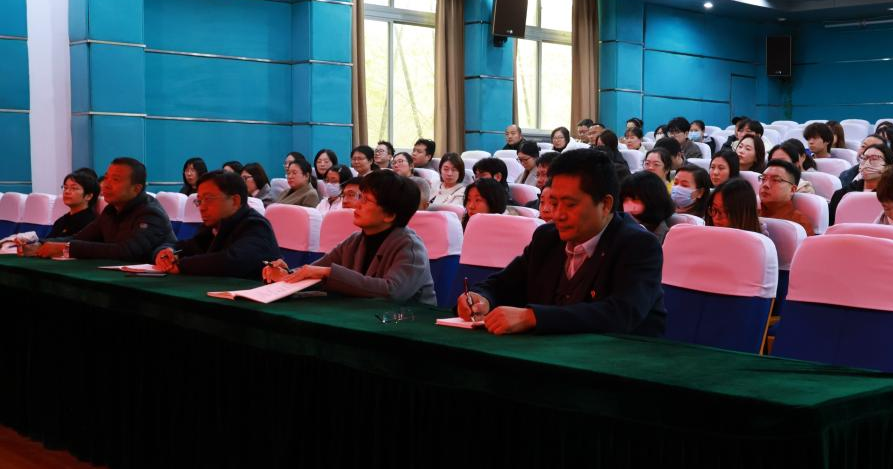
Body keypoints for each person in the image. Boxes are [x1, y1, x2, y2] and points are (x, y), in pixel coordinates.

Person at [457, 148, 667, 336]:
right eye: (554, 203)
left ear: (605, 204)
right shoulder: (547, 237)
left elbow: (620, 313)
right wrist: (482, 297)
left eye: (570, 205)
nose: (558, 215)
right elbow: (504, 283)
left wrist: (533, 317)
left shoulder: (638, 245)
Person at [265, 170, 435, 305]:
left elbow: (391, 291)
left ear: (389, 215)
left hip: (404, 324)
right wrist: (287, 274)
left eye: (367, 200)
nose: (357, 205)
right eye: (360, 197)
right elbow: (316, 269)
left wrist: (328, 273)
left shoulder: (410, 247)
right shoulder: (355, 240)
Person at [28, 157, 176, 261]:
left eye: (115, 180)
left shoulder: (150, 213)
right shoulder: (111, 210)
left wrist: (66, 248)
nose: (106, 184)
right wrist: (40, 243)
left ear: (136, 189)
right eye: (106, 178)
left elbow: (127, 251)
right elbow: (79, 237)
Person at [152, 170, 281, 278]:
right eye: (199, 201)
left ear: (235, 201)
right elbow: (189, 246)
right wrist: (166, 252)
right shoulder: (214, 225)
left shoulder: (256, 225)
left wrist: (181, 265)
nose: (202, 207)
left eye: (208, 199)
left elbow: (232, 261)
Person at [758, 159, 816, 235]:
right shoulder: (751, 215)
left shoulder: (799, 225)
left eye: (775, 180)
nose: (765, 185)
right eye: (763, 179)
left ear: (792, 190)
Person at [619, 170, 676, 242]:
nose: (628, 207)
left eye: (636, 200)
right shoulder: (619, 230)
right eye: (625, 200)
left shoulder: (671, 237)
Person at [45, 170, 99, 240]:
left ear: (88, 196)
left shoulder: (92, 222)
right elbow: (46, 241)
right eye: (65, 187)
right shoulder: (61, 221)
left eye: (74, 188)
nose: (67, 192)